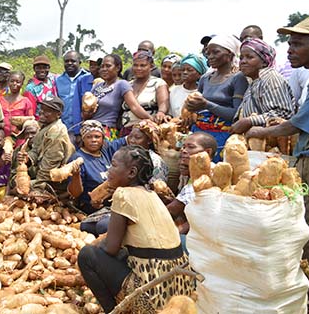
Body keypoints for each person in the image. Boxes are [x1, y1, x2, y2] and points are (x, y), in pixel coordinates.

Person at [246, 17, 309, 313]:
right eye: (289, 43)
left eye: (298, 43)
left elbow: (303, 124)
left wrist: (261, 130)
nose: (290, 50)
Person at [77, 146, 192, 313]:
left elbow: (110, 247)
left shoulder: (124, 194)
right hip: (178, 291)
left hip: (154, 295)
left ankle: (114, 310)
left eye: (114, 166)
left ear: (131, 173)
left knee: (87, 255)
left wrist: (96, 248)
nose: (109, 170)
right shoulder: (152, 194)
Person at [185, 35, 248, 160]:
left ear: (230, 55)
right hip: (199, 135)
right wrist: (190, 107)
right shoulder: (205, 78)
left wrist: (207, 104)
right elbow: (197, 105)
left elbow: (236, 114)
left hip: (223, 137)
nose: (210, 56)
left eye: (216, 52)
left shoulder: (238, 78)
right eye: (208, 53)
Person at [67, 120, 147, 214]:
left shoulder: (107, 149)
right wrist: (76, 175)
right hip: (91, 207)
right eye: (89, 137)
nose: (94, 140)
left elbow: (130, 139)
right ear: (83, 139)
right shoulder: (77, 159)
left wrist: (142, 125)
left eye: (97, 137)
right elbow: (75, 193)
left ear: (103, 138)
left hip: (115, 202)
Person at [230, 38, 295, 135]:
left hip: (269, 144)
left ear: (264, 61)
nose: (243, 61)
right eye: (241, 58)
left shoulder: (271, 78)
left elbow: (283, 112)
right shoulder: (254, 81)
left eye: (249, 57)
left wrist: (250, 121)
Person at [81, 54, 151, 141]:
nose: (104, 69)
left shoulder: (122, 84)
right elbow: (85, 112)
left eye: (108, 66)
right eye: (102, 66)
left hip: (106, 131)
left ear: (117, 68)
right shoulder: (97, 85)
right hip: (90, 129)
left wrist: (151, 119)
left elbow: (134, 106)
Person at [16, 97, 75, 195]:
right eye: (42, 109)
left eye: (48, 111)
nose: (42, 112)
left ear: (58, 114)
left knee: (19, 187)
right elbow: (36, 150)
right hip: (44, 174)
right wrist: (28, 158)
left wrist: (37, 188)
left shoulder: (56, 132)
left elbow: (49, 166)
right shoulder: (46, 126)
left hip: (55, 181)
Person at [165, 132, 218, 239]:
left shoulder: (204, 175)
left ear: (207, 152)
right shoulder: (188, 171)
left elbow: (173, 210)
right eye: (183, 147)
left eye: (191, 147)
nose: (184, 150)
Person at [121, 50, 169, 133]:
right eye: (135, 65)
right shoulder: (128, 85)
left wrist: (161, 113)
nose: (138, 68)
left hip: (148, 129)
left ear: (151, 66)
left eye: (143, 65)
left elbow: (164, 103)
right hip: (126, 129)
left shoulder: (158, 83)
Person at [55, 51, 89, 132]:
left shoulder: (88, 78)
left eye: (73, 61)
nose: (69, 63)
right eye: (66, 61)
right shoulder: (57, 80)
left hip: (83, 127)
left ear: (79, 62)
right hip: (62, 127)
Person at [0, 71, 34, 137]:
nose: (14, 84)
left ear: (22, 84)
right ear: (8, 82)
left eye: (18, 82)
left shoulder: (26, 101)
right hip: (1, 136)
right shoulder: (1, 99)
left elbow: (30, 120)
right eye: (12, 81)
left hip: (19, 137)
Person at [23, 55, 57, 120]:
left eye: (45, 68)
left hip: (53, 121)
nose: (42, 70)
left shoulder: (52, 81)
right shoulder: (31, 88)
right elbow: (30, 111)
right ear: (34, 69)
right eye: (38, 68)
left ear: (49, 68)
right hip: (39, 122)